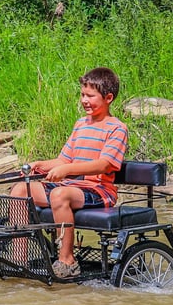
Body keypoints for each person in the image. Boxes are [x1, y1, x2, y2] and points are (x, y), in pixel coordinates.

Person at [10, 67, 128, 278]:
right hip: (73, 187)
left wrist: (66, 171)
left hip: (98, 191)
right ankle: (19, 259)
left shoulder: (116, 128)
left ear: (108, 98)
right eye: (82, 94)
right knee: (20, 189)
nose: (84, 100)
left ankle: (67, 260)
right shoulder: (80, 124)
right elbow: (64, 159)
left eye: (90, 96)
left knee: (59, 194)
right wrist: (40, 165)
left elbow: (105, 164)